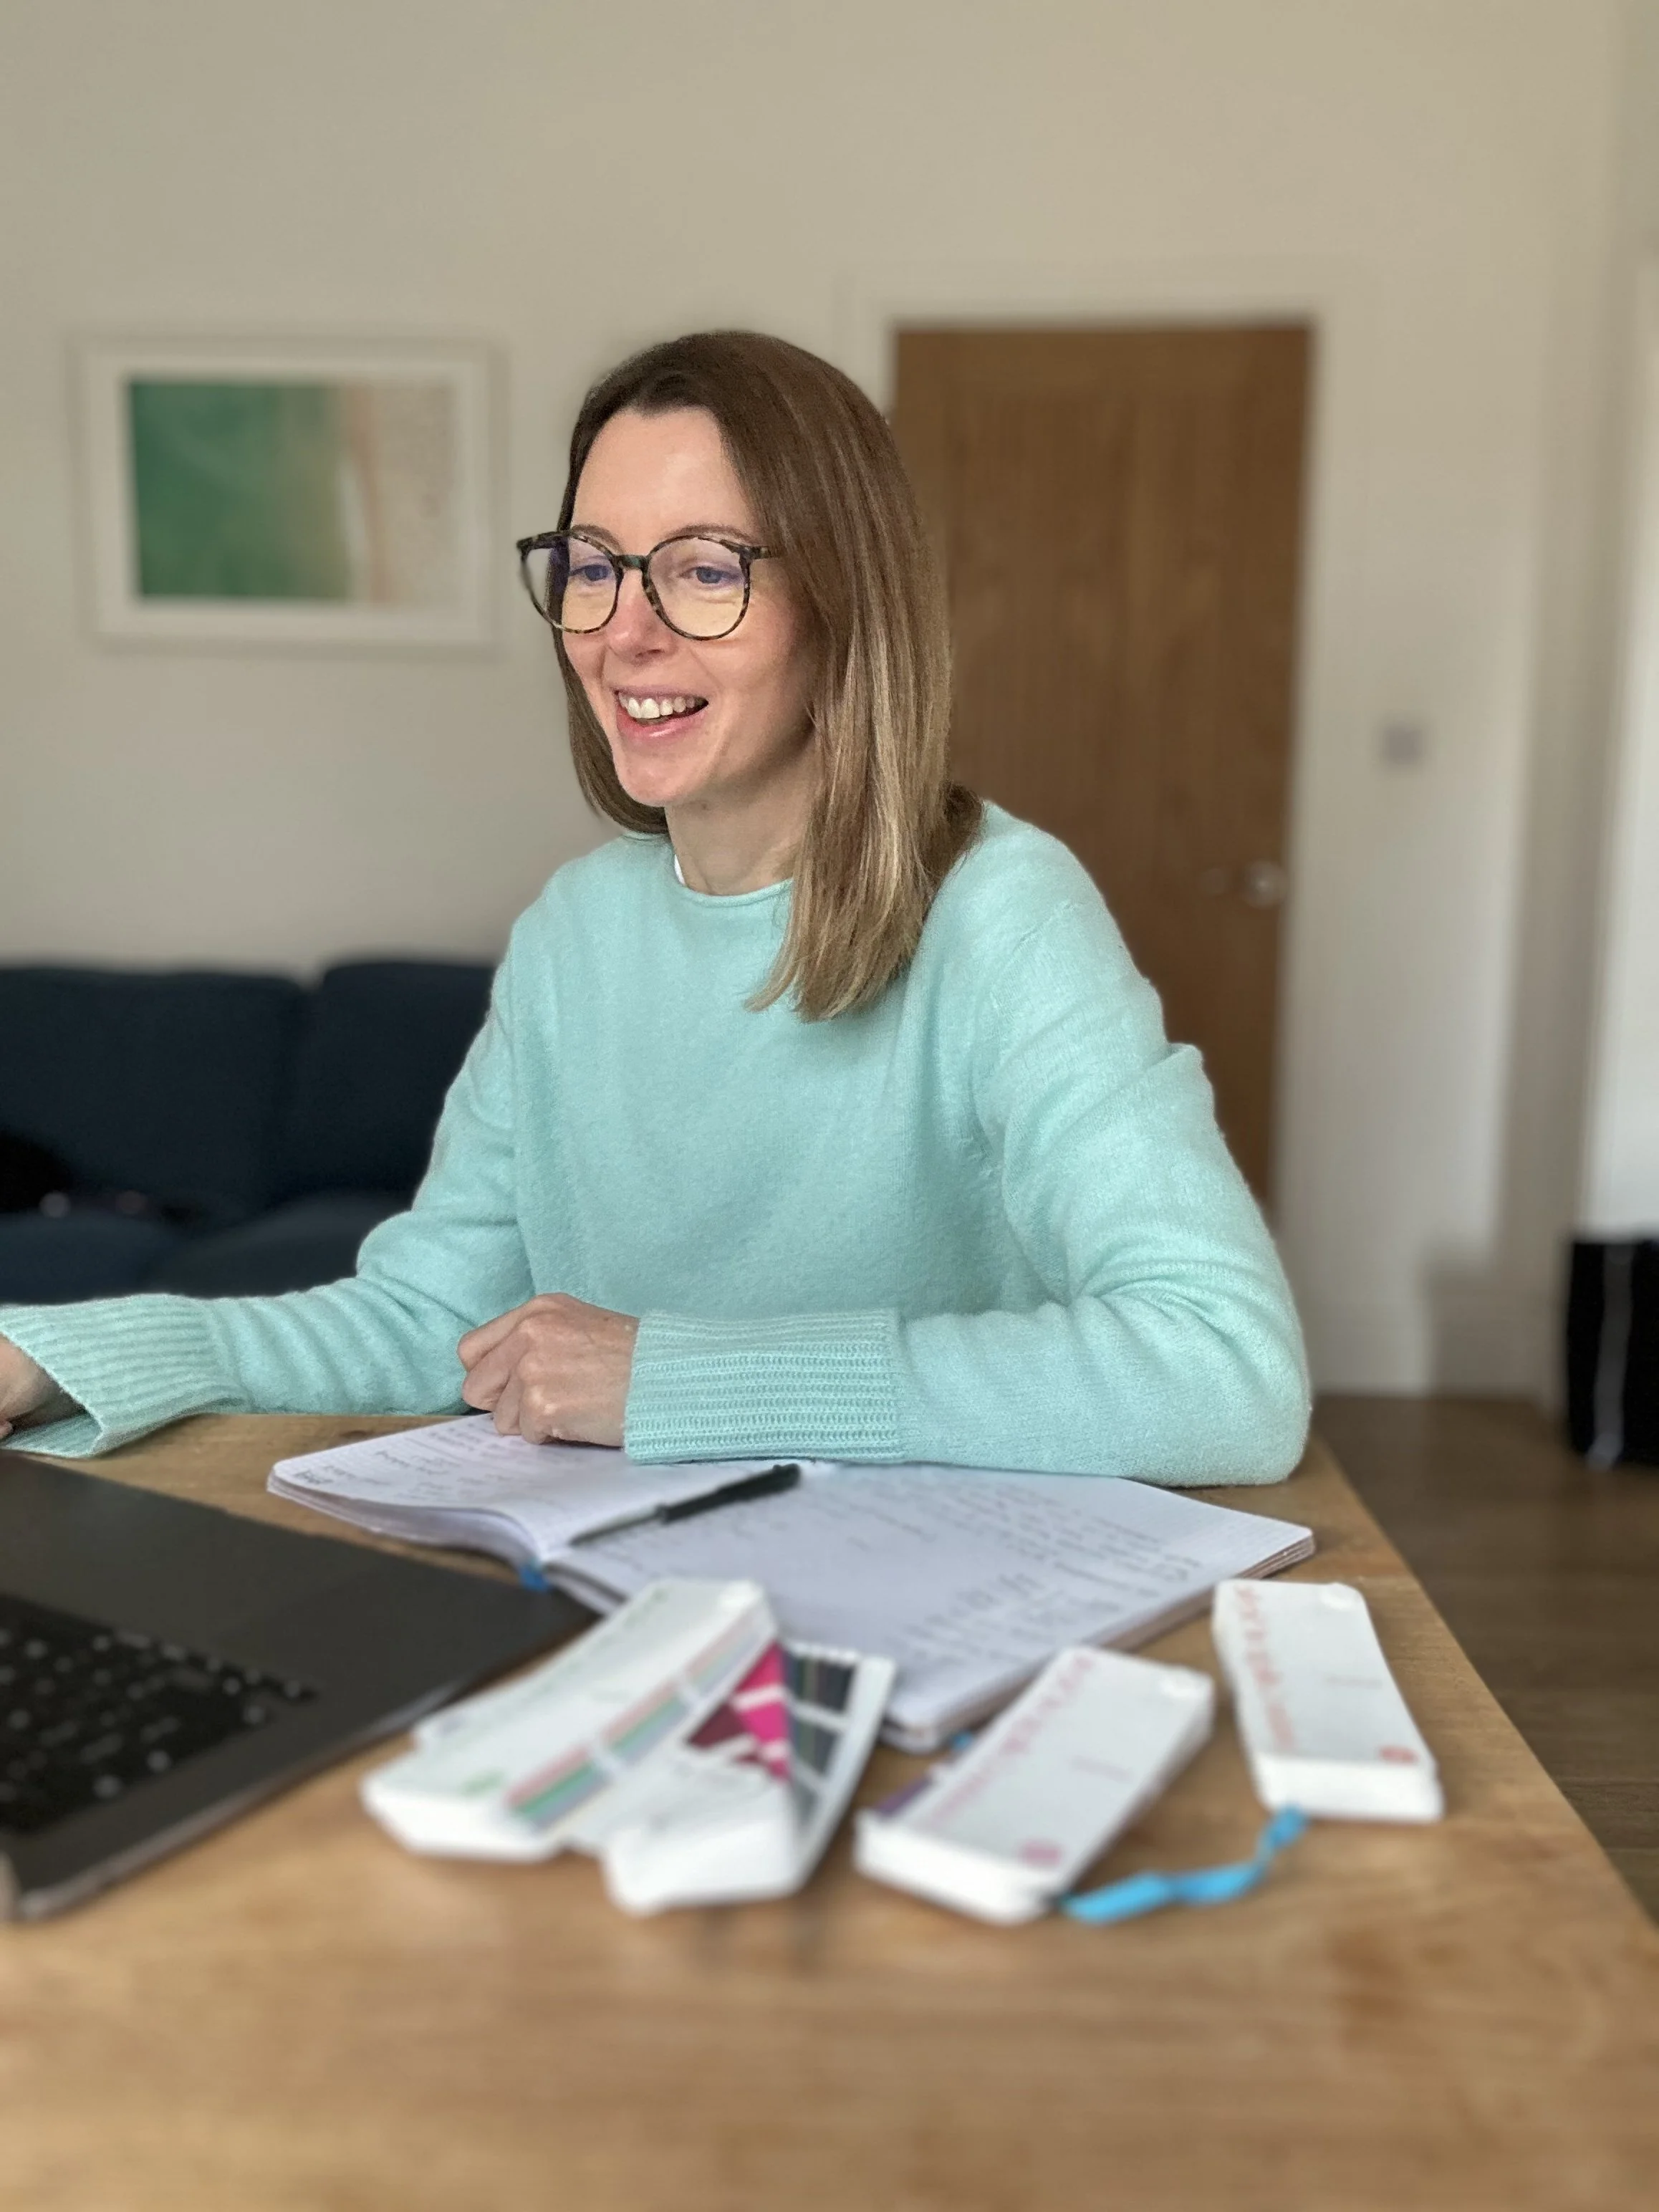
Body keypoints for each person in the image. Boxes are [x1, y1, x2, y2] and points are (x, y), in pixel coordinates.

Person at [0, 331, 1309, 1483]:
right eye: (593, 564)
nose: (622, 631)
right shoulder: (574, 932)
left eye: (702, 568)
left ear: (843, 605)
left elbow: (1222, 1369)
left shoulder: (1000, 910)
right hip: (620, 1614)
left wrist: (671, 1380)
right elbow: (424, 1327)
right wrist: (47, 1353)